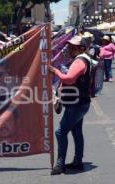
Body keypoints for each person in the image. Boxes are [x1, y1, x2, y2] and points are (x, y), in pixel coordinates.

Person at [48, 35, 91, 175]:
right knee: (76, 132)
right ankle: (77, 161)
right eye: (69, 46)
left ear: (82, 48)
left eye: (73, 47)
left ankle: (60, 164)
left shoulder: (80, 61)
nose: (69, 48)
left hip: (77, 104)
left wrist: (55, 71)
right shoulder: (80, 59)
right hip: (80, 102)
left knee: (60, 131)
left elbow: (69, 79)